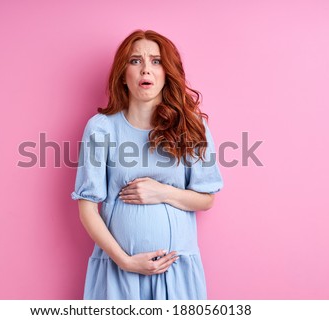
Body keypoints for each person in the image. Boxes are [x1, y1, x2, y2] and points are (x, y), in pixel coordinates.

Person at [71, 29, 223, 299]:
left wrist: (162, 192)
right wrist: (125, 261)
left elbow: (206, 198)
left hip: (176, 270)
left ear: (167, 73)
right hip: (119, 272)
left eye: (156, 61)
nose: (145, 70)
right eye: (135, 61)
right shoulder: (101, 128)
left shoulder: (191, 126)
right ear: (123, 74)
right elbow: (87, 210)